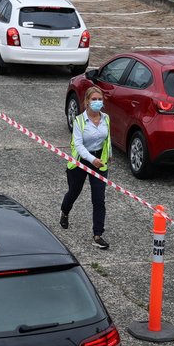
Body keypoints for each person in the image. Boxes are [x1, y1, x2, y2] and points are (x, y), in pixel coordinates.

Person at [60, 86, 112, 249]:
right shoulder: (79, 121)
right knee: (74, 191)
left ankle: (98, 234)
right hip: (81, 160)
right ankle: (64, 211)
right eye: (94, 99)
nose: (97, 102)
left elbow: (107, 138)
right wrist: (91, 159)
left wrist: (108, 154)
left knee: (99, 199)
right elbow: (78, 145)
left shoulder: (106, 118)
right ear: (87, 102)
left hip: (99, 162)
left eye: (100, 99)